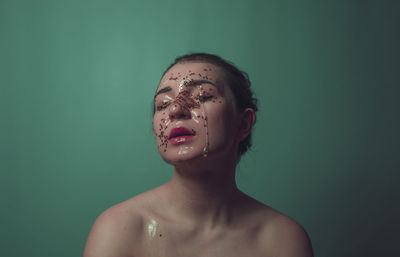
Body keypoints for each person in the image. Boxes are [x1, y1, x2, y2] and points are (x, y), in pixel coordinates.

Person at [83, 53, 314, 257]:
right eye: (162, 104)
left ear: (243, 123)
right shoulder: (118, 229)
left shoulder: (283, 240)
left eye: (202, 96)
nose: (175, 110)